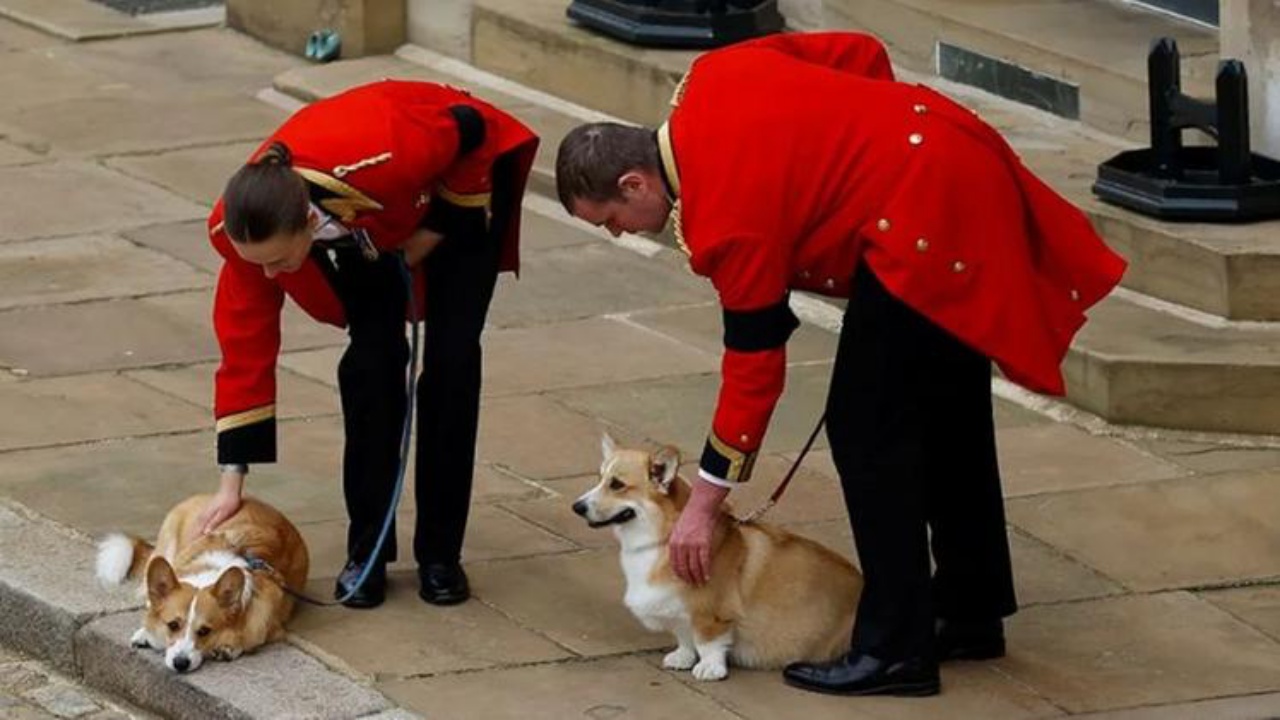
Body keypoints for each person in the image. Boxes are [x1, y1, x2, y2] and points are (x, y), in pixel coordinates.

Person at [554, 31, 1125, 696]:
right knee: (947, 410)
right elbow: (858, 52)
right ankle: (970, 610)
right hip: (948, 155)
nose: (623, 233)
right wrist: (868, 144)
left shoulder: (725, 219)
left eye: (615, 220)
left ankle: (896, 647)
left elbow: (755, 369)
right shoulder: (711, 75)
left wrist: (703, 505)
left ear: (634, 181)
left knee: (867, 431)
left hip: (920, 220)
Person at [200, 80, 539, 609]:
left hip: (456, 194)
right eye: (256, 261)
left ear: (308, 222)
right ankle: (368, 552)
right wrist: (231, 482)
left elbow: (473, 132)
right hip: (367, 229)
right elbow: (244, 350)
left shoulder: (386, 153)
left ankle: (440, 555)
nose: (266, 273)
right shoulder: (243, 231)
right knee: (371, 366)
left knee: (451, 364)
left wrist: (433, 230)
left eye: (276, 260)